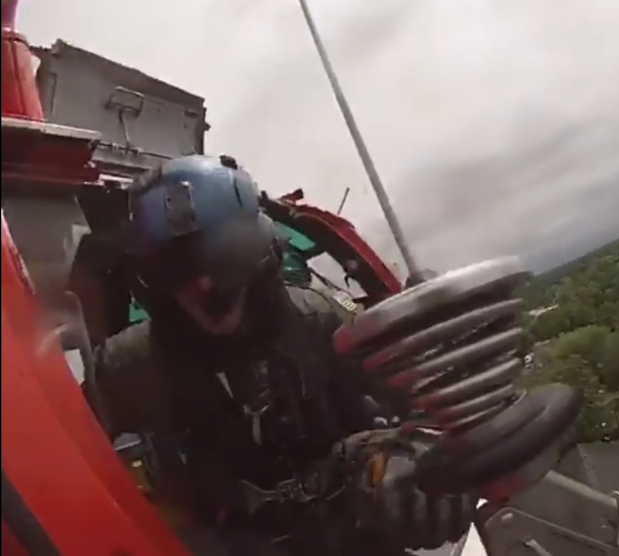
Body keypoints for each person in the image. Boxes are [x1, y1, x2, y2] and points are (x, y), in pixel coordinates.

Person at [84, 154, 474, 555]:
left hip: (347, 536)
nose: (203, 284)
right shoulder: (131, 365)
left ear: (259, 252)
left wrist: (419, 455)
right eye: (175, 266)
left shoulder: (320, 319)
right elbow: (65, 451)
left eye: (223, 256)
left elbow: (421, 396)